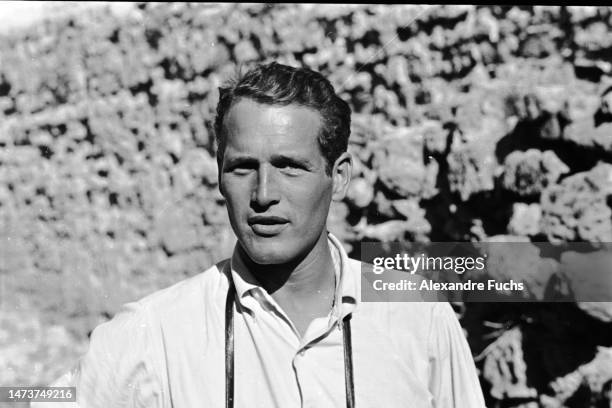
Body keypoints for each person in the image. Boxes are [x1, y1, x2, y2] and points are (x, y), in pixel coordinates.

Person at [36, 62, 486, 407]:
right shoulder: (154, 334)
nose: (264, 194)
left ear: (340, 175)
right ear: (219, 175)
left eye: (290, 167)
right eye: (243, 167)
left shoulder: (416, 315)